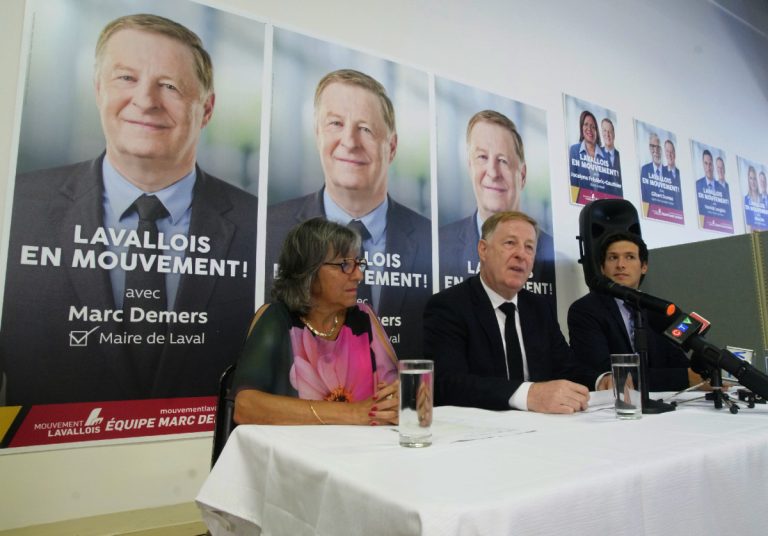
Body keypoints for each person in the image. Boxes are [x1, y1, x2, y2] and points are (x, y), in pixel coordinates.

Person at [0, 14, 258, 405]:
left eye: (169, 86)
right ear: (97, 90)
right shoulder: (17, 207)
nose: (145, 101)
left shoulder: (260, 227)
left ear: (206, 109)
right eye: (126, 78)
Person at [265, 69, 431, 358]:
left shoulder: (432, 239)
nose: (350, 141)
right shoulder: (268, 228)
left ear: (391, 147)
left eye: (365, 128)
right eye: (335, 124)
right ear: (317, 134)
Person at [424, 211, 608, 414]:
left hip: (542, 428)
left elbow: (566, 367)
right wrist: (529, 394)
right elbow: (448, 384)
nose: (521, 254)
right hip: (482, 431)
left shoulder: (539, 307)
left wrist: (601, 381)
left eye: (529, 247)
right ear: (483, 250)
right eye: (510, 243)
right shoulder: (449, 305)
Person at [231, 218, 399, 426]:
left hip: (363, 451)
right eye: (344, 265)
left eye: (358, 264)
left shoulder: (364, 317)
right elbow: (246, 407)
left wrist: (399, 400)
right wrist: (350, 413)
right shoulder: (277, 319)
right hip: (295, 453)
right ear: (308, 271)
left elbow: (397, 391)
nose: (359, 275)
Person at [438, 110, 555, 297]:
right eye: (482, 157)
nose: (493, 172)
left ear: (522, 175)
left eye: (503, 161)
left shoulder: (552, 251)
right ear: (470, 166)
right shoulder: (439, 243)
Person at [568, 232, 703, 392]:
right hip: (614, 406)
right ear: (603, 268)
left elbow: (677, 362)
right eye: (613, 258)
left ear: (644, 266)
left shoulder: (657, 309)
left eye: (630, 257)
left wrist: (702, 374)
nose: (620, 265)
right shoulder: (586, 310)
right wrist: (685, 378)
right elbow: (607, 374)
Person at [639, 133, 664, 201]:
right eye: (653, 146)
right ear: (649, 148)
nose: (655, 150)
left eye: (658, 147)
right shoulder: (644, 170)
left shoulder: (668, 172)